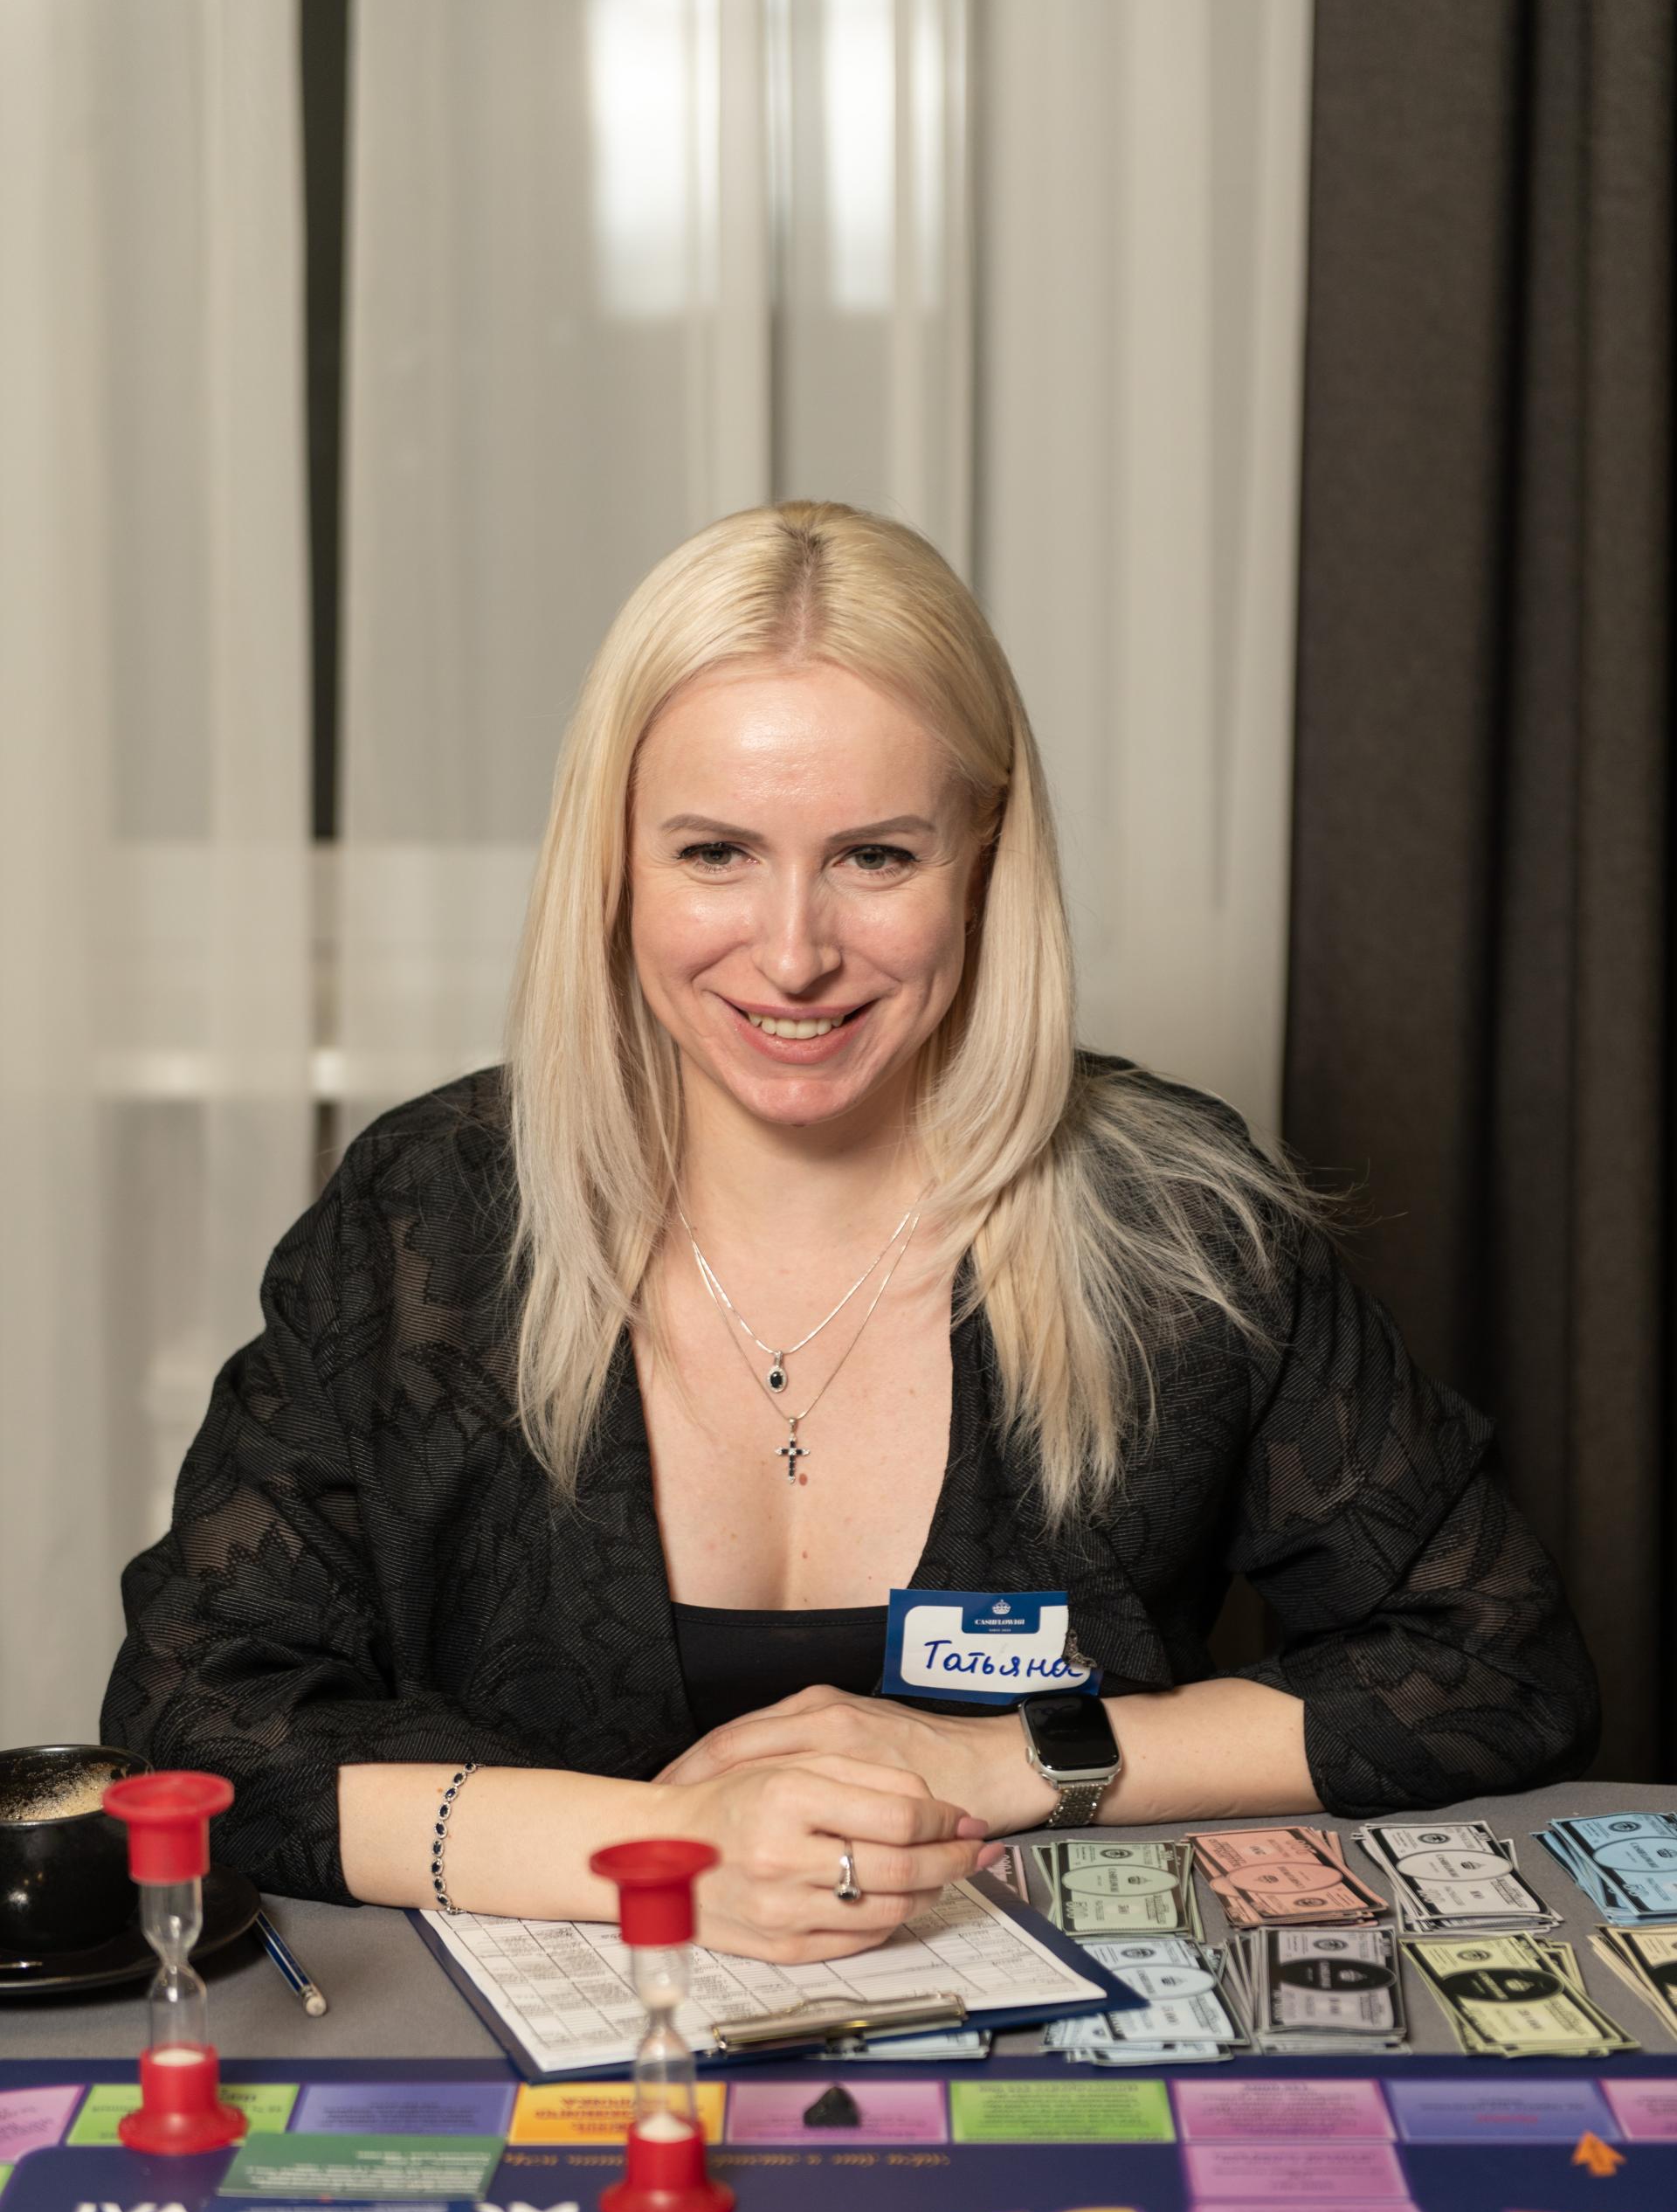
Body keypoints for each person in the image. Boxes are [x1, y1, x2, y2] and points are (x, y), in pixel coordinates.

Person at [101, 501, 1598, 1960]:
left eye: (876, 856)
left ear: (984, 855)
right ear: (612, 858)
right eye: (715, 853)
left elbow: (1496, 1658)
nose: (795, 953)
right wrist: (667, 1853)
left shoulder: (1177, 1217)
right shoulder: (427, 1216)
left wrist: (1007, 1759)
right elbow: (188, 1723)